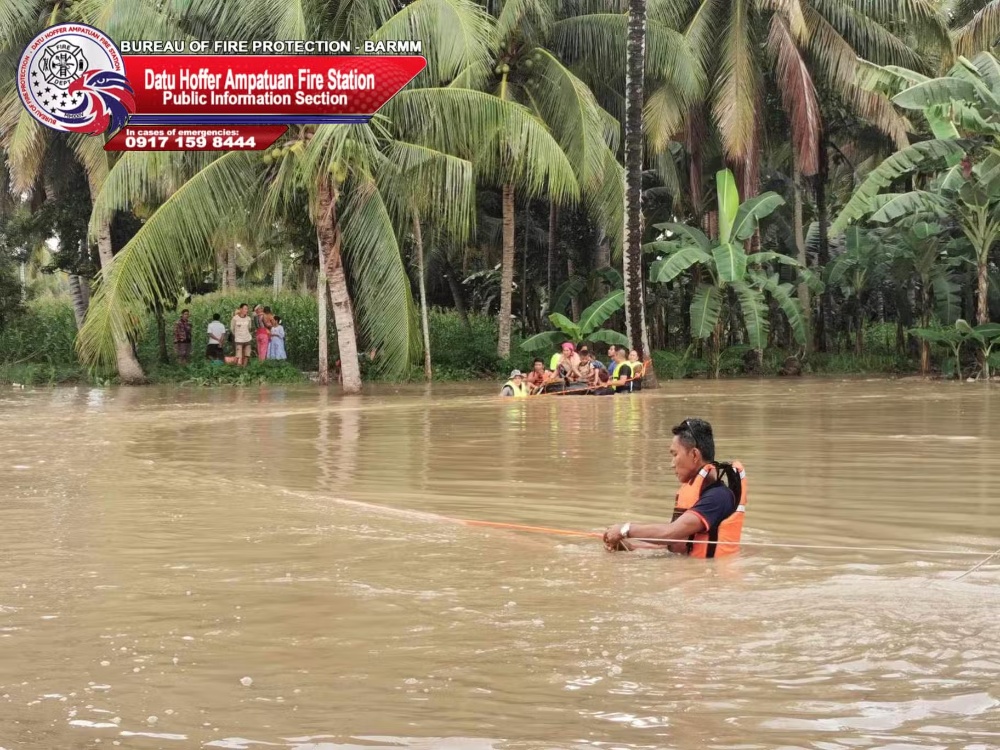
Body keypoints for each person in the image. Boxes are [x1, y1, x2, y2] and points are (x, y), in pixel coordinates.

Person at [602, 418, 747, 558]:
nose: (672, 464)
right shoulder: (703, 494)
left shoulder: (718, 497)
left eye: (675, 454)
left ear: (694, 455)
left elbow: (670, 533)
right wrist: (630, 547)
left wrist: (624, 529)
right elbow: (673, 547)